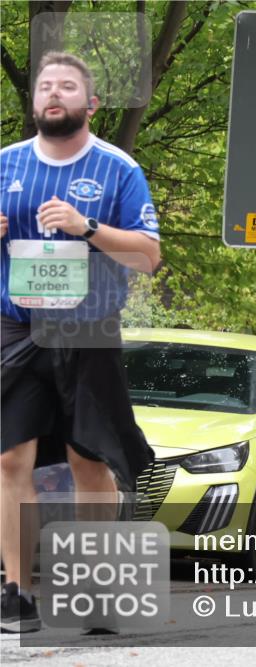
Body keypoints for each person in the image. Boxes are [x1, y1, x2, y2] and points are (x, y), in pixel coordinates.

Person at [1, 52, 161, 634]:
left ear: (90, 105)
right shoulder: (5, 165)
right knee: (9, 457)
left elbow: (147, 258)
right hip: (15, 327)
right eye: (45, 86)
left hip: (88, 327)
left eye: (67, 87)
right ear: (34, 101)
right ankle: (18, 592)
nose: (53, 94)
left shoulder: (118, 169)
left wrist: (86, 228)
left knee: (87, 460)